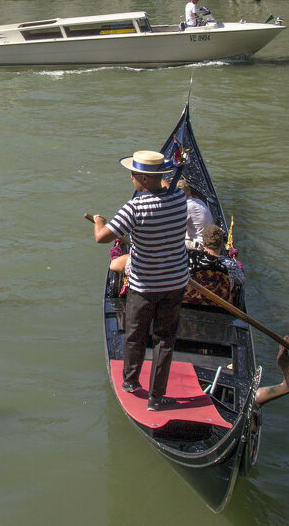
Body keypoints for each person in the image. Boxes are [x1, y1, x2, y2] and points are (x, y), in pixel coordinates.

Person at [92, 150, 188, 412]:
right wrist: (162, 175)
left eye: (134, 175)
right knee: (165, 340)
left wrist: (99, 222)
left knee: (135, 335)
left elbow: (102, 237)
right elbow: (166, 188)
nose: (131, 178)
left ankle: (131, 382)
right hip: (175, 281)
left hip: (144, 285)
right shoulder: (180, 198)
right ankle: (156, 399)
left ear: (143, 180)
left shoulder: (135, 208)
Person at [179, 179, 216, 248]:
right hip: (209, 239)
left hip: (199, 244)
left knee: (171, 240)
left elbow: (176, 226)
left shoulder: (186, 206)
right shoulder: (199, 201)